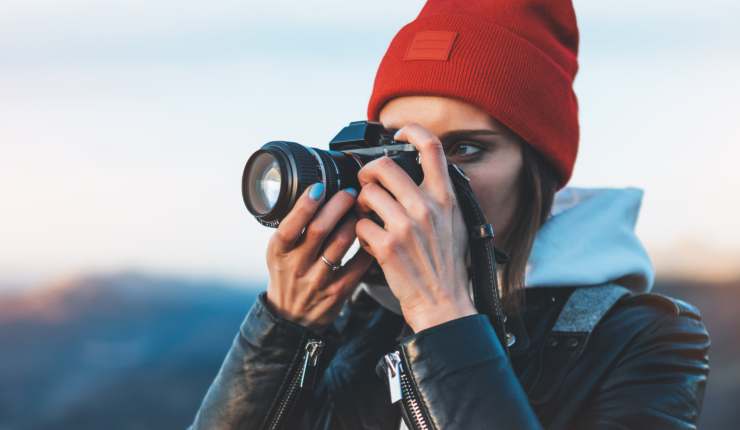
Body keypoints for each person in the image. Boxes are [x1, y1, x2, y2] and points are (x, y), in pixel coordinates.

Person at [189, 0, 710, 429]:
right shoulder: (356, 326)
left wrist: (441, 318)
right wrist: (285, 327)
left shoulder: (642, 338)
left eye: (461, 150)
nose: (423, 180)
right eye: (400, 150)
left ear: (539, 172)